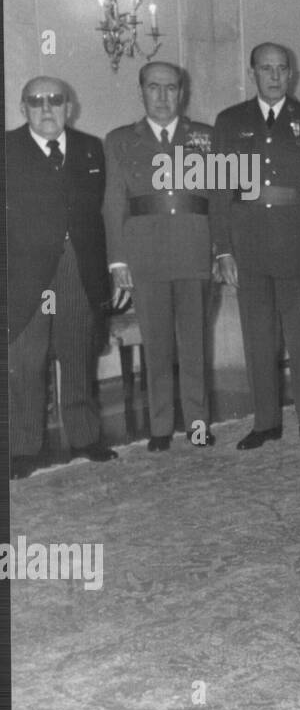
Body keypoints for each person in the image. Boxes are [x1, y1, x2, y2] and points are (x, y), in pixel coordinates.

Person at [211, 42, 300, 449]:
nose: (274, 76)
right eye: (266, 68)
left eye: (281, 68)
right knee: (258, 338)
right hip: (248, 243)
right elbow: (219, 191)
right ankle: (265, 422)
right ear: (252, 72)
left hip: (297, 243)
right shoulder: (230, 121)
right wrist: (222, 249)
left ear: (291, 74)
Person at [7, 77, 120, 478]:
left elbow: (101, 215)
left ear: (68, 107)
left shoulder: (91, 148)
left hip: (77, 267)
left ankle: (86, 437)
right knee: (26, 360)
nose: (46, 108)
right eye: (36, 101)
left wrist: (106, 270)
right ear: (23, 108)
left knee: (77, 353)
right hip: (26, 273)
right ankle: (23, 449)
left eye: (55, 100)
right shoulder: (7, 149)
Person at [103, 62, 217, 452]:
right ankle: (161, 427)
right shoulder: (120, 140)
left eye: (171, 88)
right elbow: (113, 202)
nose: (163, 96)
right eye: (154, 87)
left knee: (195, 346)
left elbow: (221, 198)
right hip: (145, 254)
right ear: (142, 92)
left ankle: (198, 426)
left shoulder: (206, 137)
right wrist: (118, 261)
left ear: (182, 92)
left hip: (194, 250)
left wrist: (222, 249)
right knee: (157, 346)